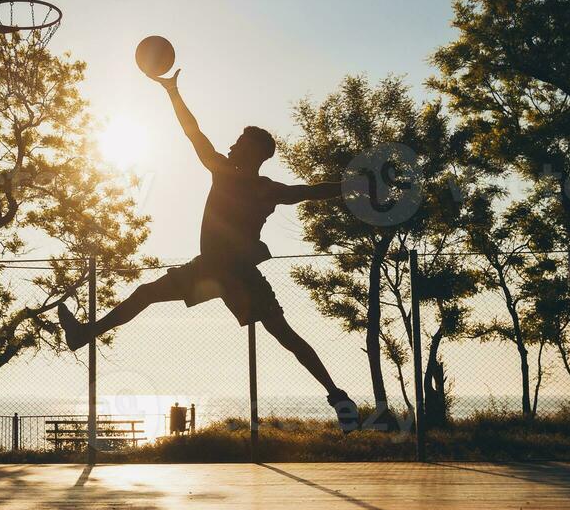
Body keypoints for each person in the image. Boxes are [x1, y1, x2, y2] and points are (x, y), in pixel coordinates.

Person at [59, 69, 359, 429]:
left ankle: (338, 398)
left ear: (255, 152)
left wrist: (350, 186)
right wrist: (172, 92)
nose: (231, 146)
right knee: (145, 293)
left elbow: (311, 190)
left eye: (239, 143)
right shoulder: (231, 174)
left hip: (237, 275)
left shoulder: (254, 183)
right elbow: (194, 133)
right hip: (208, 269)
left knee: (286, 336)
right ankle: (84, 333)